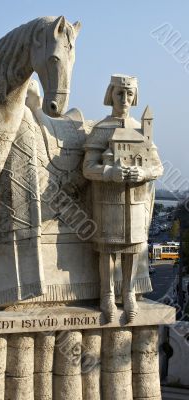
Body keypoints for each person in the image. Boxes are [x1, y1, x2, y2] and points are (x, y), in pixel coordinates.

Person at [83, 74, 163, 322]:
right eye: (120, 93)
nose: (125, 99)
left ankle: (128, 292)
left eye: (130, 94)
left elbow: (158, 167)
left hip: (136, 202)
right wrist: (110, 173)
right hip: (108, 202)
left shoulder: (142, 131)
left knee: (132, 249)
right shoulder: (101, 129)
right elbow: (87, 167)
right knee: (108, 249)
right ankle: (106, 294)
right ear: (111, 95)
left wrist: (143, 172)